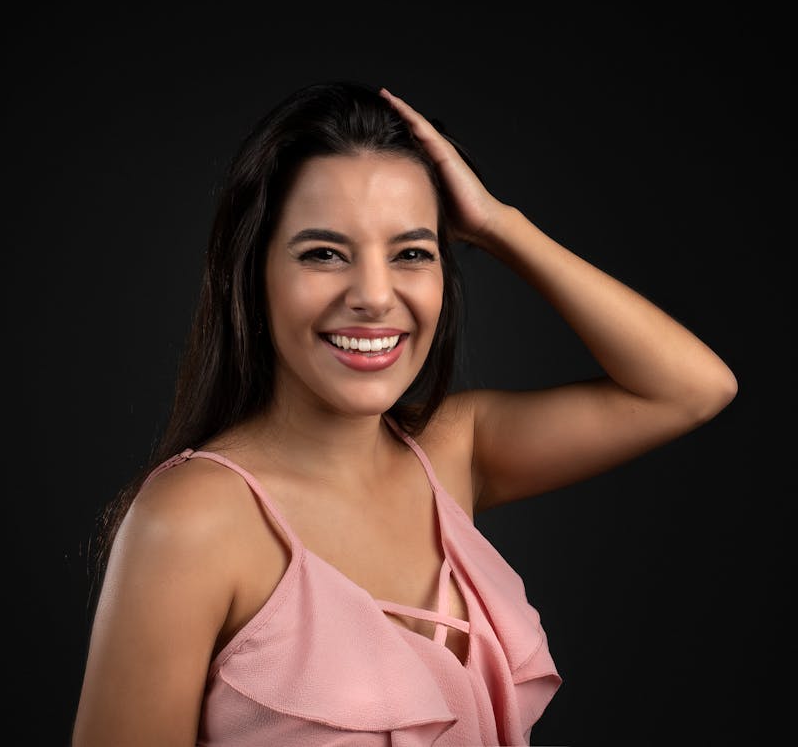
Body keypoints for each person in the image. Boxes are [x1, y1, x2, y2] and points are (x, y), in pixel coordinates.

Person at [71, 80, 738, 746]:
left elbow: (689, 388)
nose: (374, 296)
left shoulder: (452, 450)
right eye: (324, 254)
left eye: (411, 253)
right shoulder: (193, 519)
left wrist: (497, 225)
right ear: (252, 274)